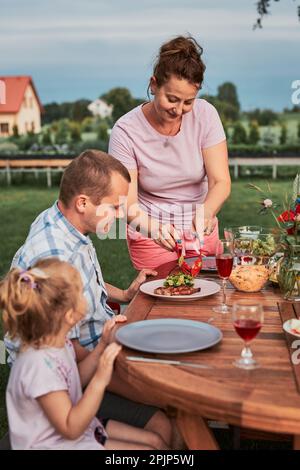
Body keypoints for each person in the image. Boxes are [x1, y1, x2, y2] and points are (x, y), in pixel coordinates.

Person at [4, 149, 173, 446]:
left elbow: (77, 280)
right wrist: (125, 362)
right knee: (166, 405)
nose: (122, 215)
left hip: (90, 355)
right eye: (115, 207)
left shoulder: (63, 223)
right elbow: (70, 352)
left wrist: (124, 293)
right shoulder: (52, 252)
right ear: (82, 202)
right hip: (67, 383)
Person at [0, 258, 169, 450]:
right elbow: (70, 428)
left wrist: (102, 345)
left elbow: (75, 379)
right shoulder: (38, 367)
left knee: (156, 442)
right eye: (81, 293)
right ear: (69, 315)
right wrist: (101, 378)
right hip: (56, 442)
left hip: (76, 430)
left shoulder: (57, 342)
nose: (88, 298)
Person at [109, 35, 231, 270]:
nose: (179, 110)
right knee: (163, 298)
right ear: (154, 85)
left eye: (188, 102)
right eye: (172, 99)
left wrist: (205, 213)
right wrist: (155, 230)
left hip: (202, 230)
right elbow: (129, 204)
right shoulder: (125, 131)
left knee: (210, 297)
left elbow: (220, 181)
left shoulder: (206, 115)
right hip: (152, 233)